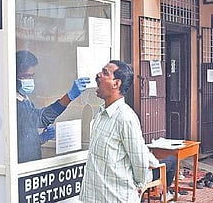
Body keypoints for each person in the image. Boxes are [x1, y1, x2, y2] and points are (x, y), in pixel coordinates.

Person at [79, 60, 159, 202]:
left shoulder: (125, 118)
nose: (98, 75)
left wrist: (138, 185)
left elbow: (140, 162)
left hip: (116, 198)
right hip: (94, 197)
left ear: (116, 84)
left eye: (105, 73)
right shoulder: (101, 114)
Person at [16, 50, 90, 163]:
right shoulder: (14, 103)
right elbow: (41, 118)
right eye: (25, 76)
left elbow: (23, 133)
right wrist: (68, 97)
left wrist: (40, 139)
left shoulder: (24, 98)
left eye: (32, 76)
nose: (30, 81)